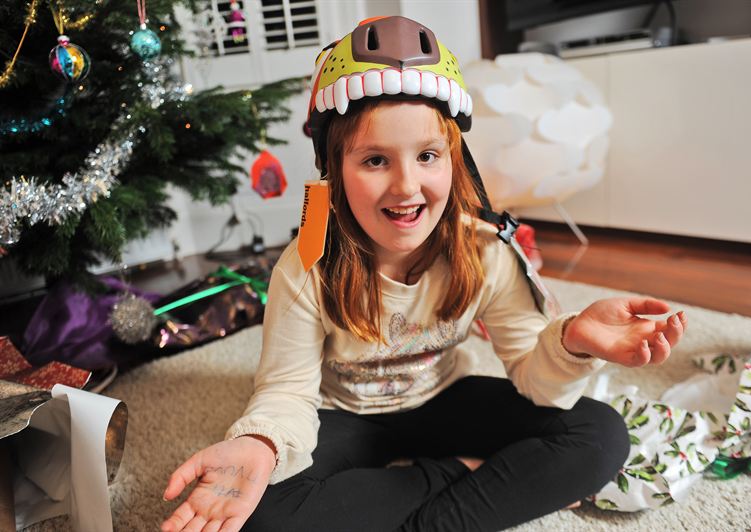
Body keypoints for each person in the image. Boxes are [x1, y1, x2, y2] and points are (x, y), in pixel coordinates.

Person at [161, 16, 687, 532]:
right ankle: (460, 477)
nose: (407, 186)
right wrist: (259, 443)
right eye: (375, 161)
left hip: (445, 400)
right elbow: (285, 392)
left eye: (428, 155)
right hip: (345, 416)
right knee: (255, 509)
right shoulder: (306, 265)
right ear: (334, 171)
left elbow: (535, 381)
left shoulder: (486, 250)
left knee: (600, 434)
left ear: (454, 161)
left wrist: (572, 341)